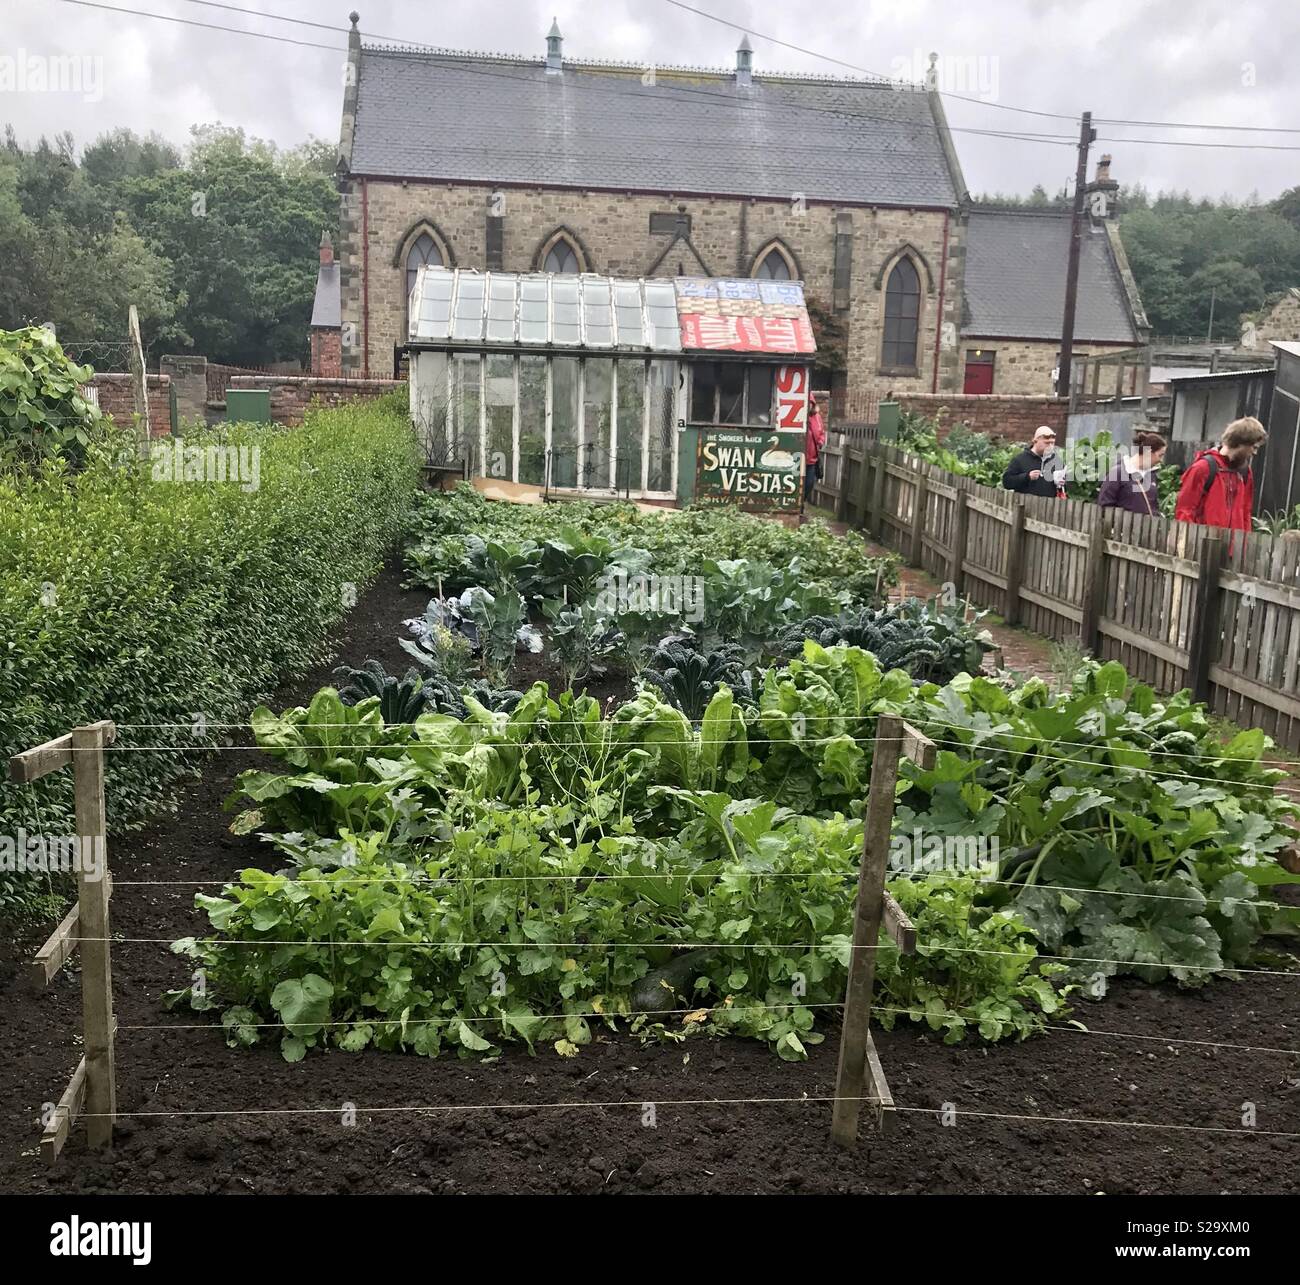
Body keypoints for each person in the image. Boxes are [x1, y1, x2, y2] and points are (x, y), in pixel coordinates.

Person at [1174, 416, 1267, 531]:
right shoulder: (1203, 468)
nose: (1255, 452)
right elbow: (1184, 511)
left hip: (1233, 545)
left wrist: (1244, 545)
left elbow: (1245, 513)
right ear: (1241, 442)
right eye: (1254, 447)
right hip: (1203, 543)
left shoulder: (1245, 472)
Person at [1097, 429, 1167, 515]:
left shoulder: (1151, 475)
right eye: (1160, 455)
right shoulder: (1117, 473)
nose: (1161, 460)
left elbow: (1153, 506)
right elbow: (1105, 504)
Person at [1002, 425, 1065, 498]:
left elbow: (1064, 488)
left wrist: (1061, 483)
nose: (1050, 447)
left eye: (1052, 443)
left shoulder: (1057, 461)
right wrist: (1027, 477)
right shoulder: (1020, 460)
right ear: (1035, 441)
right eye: (1047, 443)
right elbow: (1007, 482)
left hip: (1049, 507)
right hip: (1025, 505)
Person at [804, 392, 826, 501]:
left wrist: (820, 442)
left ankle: (802, 502)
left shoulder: (816, 417)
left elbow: (821, 432)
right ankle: (799, 507)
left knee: (809, 484)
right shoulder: (798, 416)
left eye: (810, 403)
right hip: (798, 458)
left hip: (812, 459)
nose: (808, 405)